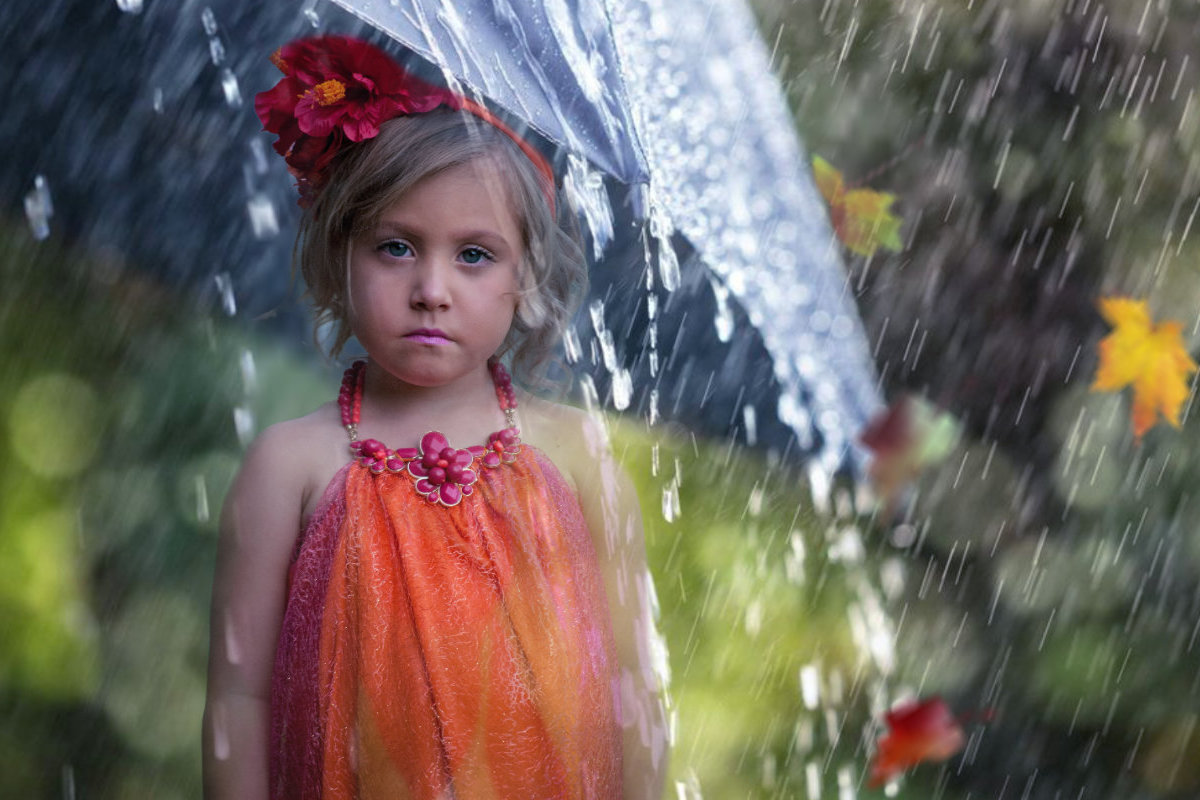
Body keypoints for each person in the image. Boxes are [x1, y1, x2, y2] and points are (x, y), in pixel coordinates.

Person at [202, 35, 668, 800]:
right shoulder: (290, 465)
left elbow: (632, 690)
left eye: (474, 255)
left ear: (526, 276)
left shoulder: (577, 457)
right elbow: (239, 697)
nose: (432, 288)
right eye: (395, 247)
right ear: (338, 252)